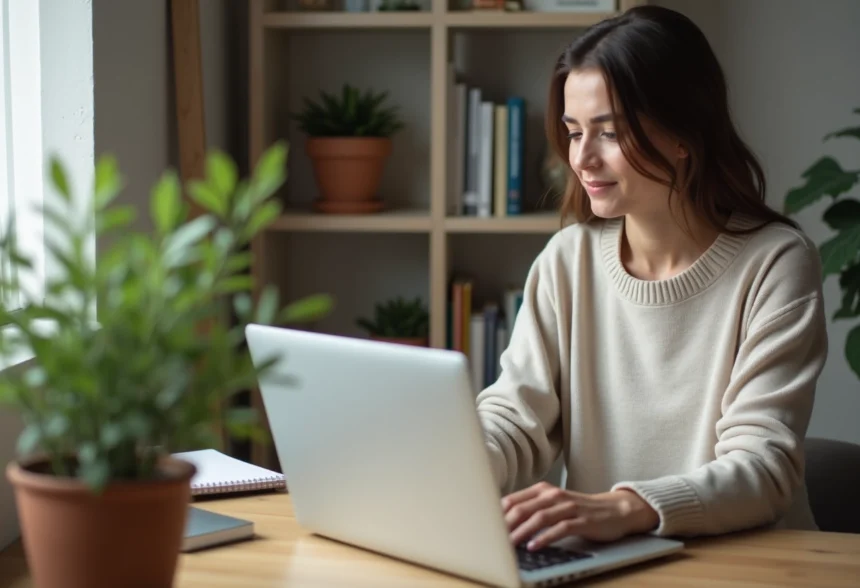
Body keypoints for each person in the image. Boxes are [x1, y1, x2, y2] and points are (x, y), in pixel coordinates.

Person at [475, 4, 828, 553]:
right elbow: (516, 419)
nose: (582, 159)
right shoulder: (566, 261)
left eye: (609, 133)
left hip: (749, 560)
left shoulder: (776, 264)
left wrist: (622, 508)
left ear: (684, 133)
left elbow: (763, 466)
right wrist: (448, 458)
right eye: (573, 133)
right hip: (607, 559)